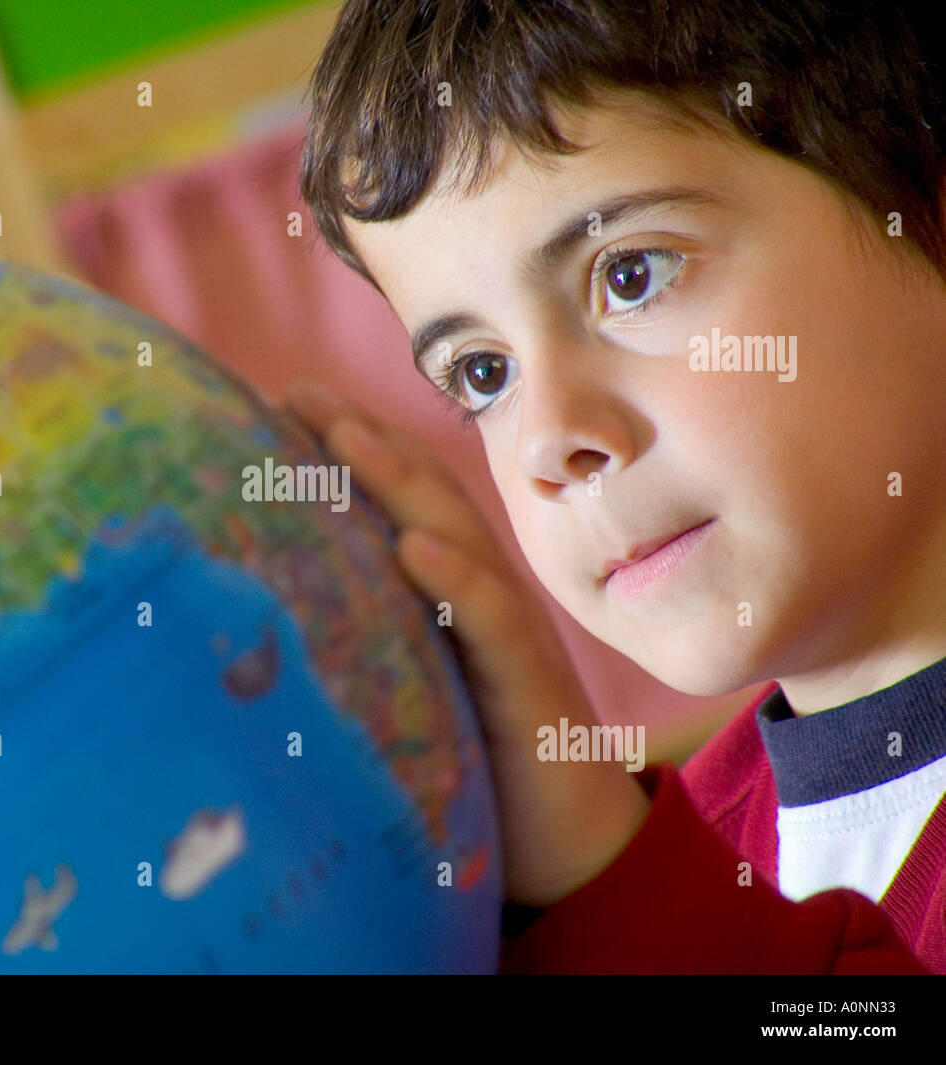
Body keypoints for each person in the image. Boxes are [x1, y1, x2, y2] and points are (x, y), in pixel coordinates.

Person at [285, 0, 946, 973]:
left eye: (630, 274)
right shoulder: (672, 861)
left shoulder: (629, 889)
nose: (551, 439)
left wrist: (607, 884)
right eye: (482, 373)